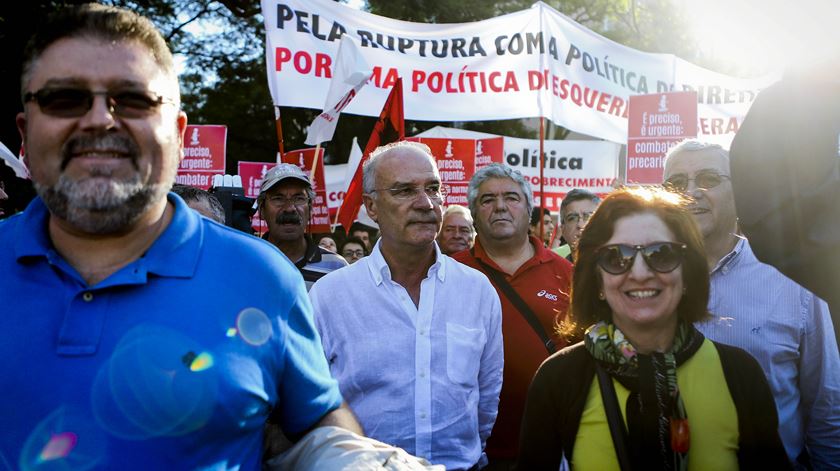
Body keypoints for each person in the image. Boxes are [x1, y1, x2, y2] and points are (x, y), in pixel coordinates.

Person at [1, 4, 361, 469]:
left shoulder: (262, 275)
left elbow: (317, 421)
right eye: (64, 99)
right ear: (25, 134)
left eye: (133, 100)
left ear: (176, 132)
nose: (99, 121)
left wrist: (354, 458)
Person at [518, 186, 789, 470]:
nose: (640, 273)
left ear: (687, 273)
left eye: (661, 254)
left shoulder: (739, 373)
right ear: (597, 280)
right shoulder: (560, 377)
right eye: (617, 257)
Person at [310, 141, 503, 471]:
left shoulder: (477, 291)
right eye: (404, 190)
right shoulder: (330, 296)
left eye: (433, 188)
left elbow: (486, 397)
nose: (425, 203)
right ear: (371, 207)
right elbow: (312, 402)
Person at [663, 139, 840, 468]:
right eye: (675, 183)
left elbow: (826, 405)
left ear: (739, 191)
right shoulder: (643, 278)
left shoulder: (791, 276)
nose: (691, 192)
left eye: (708, 179)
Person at [452, 163, 572, 469]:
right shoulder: (448, 273)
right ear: (475, 213)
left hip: (553, 446)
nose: (500, 206)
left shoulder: (567, 274)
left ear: (529, 210)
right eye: (487, 200)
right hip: (470, 449)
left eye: (511, 197)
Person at [257, 163, 347, 289]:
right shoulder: (245, 263)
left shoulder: (337, 268)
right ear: (262, 210)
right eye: (278, 198)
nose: (289, 208)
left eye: (299, 198)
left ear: (310, 209)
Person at [559, 188, 601, 263]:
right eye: (572, 218)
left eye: (589, 217)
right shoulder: (555, 272)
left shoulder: (617, 270)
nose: (581, 225)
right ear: (563, 230)